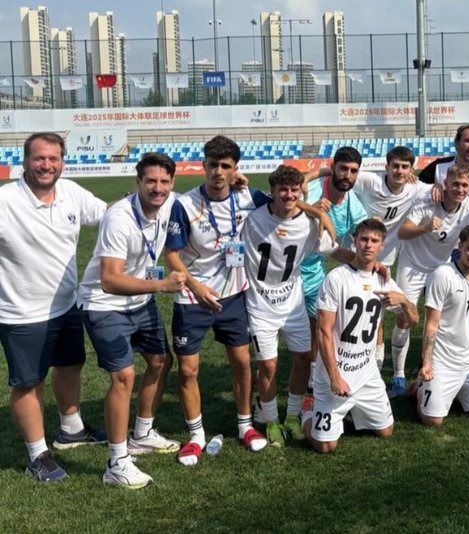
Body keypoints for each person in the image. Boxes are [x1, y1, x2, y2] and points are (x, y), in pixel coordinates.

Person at [0, 132, 108, 481]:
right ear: (24, 162)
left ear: (63, 161)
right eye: (38, 158)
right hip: (21, 313)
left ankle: (71, 428)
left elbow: (112, 215)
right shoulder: (5, 201)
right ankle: (37, 455)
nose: (46, 165)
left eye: (53, 159)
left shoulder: (72, 193)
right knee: (29, 383)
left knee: (71, 363)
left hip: (65, 305)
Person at [165, 135, 272, 464]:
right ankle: (196, 435)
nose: (218, 171)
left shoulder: (246, 196)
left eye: (226, 166)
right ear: (204, 165)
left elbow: (285, 203)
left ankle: (244, 426)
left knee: (241, 363)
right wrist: (196, 287)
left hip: (233, 296)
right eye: (213, 165)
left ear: (235, 169)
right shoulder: (183, 204)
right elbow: (170, 255)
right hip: (192, 298)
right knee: (187, 370)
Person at [79, 152, 184, 487]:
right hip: (104, 302)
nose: (157, 188)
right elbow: (110, 279)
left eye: (164, 182)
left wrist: (238, 184)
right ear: (137, 182)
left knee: (159, 361)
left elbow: (206, 196)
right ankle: (116, 460)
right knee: (123, 376)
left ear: (172, 183)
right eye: (150, 181)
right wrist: (161, 285)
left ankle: (142, 433)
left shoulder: (170, 203)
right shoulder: (119, 218)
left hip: (141, 301)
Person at [242, 165, 337, 446]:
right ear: (271, 191)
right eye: (283, 189)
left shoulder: (308, 223)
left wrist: (364, 262)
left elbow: (331, 249)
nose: (289, 194)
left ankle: (293, 415)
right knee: (268, 366)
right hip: (260, 304)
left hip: (292, 302)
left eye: (295, 189)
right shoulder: (252, 217)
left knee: (303, 358)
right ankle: (270, 420)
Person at [305, 219, 418, 452]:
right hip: (334, 371)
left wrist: (405, 302)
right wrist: (335, 377)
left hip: (366, 373)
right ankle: (308, 411)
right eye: (364, 239)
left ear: (382, 245)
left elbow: (414, 320)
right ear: (355, 241)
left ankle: (354, 409)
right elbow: (323, 331)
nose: (368, 245)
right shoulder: (336, 278)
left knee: (386, 431)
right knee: (325, 446)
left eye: (374, 241)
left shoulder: (384, 280)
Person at [286, 146, 368, 435]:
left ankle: (309, 389)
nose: (347, 175)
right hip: (280, 272)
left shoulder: (354, 205)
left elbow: (359, 239)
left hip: (312, 274)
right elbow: (285, 200)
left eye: (353, 170)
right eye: (343, 168)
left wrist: (371, 264)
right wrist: (315, 210)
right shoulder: (309, 187)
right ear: (333, 168)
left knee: (318, 333)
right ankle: (265, 402)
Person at [390, 165, 469, 396]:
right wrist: (425, 227)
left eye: (464, 185)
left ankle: (435, 364)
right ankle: (398, 374)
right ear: (446, 185)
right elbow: (403, 231)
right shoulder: (427, 201)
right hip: (413, 266)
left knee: (442, 319)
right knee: (404, 318)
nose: (460, 189)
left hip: (441, 268)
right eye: (455, 185)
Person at [351, 145, 433, 390]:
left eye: (404, 166)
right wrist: (309, 178)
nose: (399, 171)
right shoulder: (369, 181)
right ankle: (356, 368)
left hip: (384, 262)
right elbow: (336, 176)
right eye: (395, 165)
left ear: (411, 169)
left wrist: (438, 187)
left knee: (385, 316)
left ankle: (390, 374)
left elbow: (442, 188)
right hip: (357, 258)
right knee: (360, 318)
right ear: (386, 166)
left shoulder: (415, 187)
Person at [417, 225, 469, 426]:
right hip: (443, 358)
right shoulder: (442, 275)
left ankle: (451, 392)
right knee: (433, 420)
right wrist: (427, 363)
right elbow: (431, 324)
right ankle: (422, 388)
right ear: (460, 246)